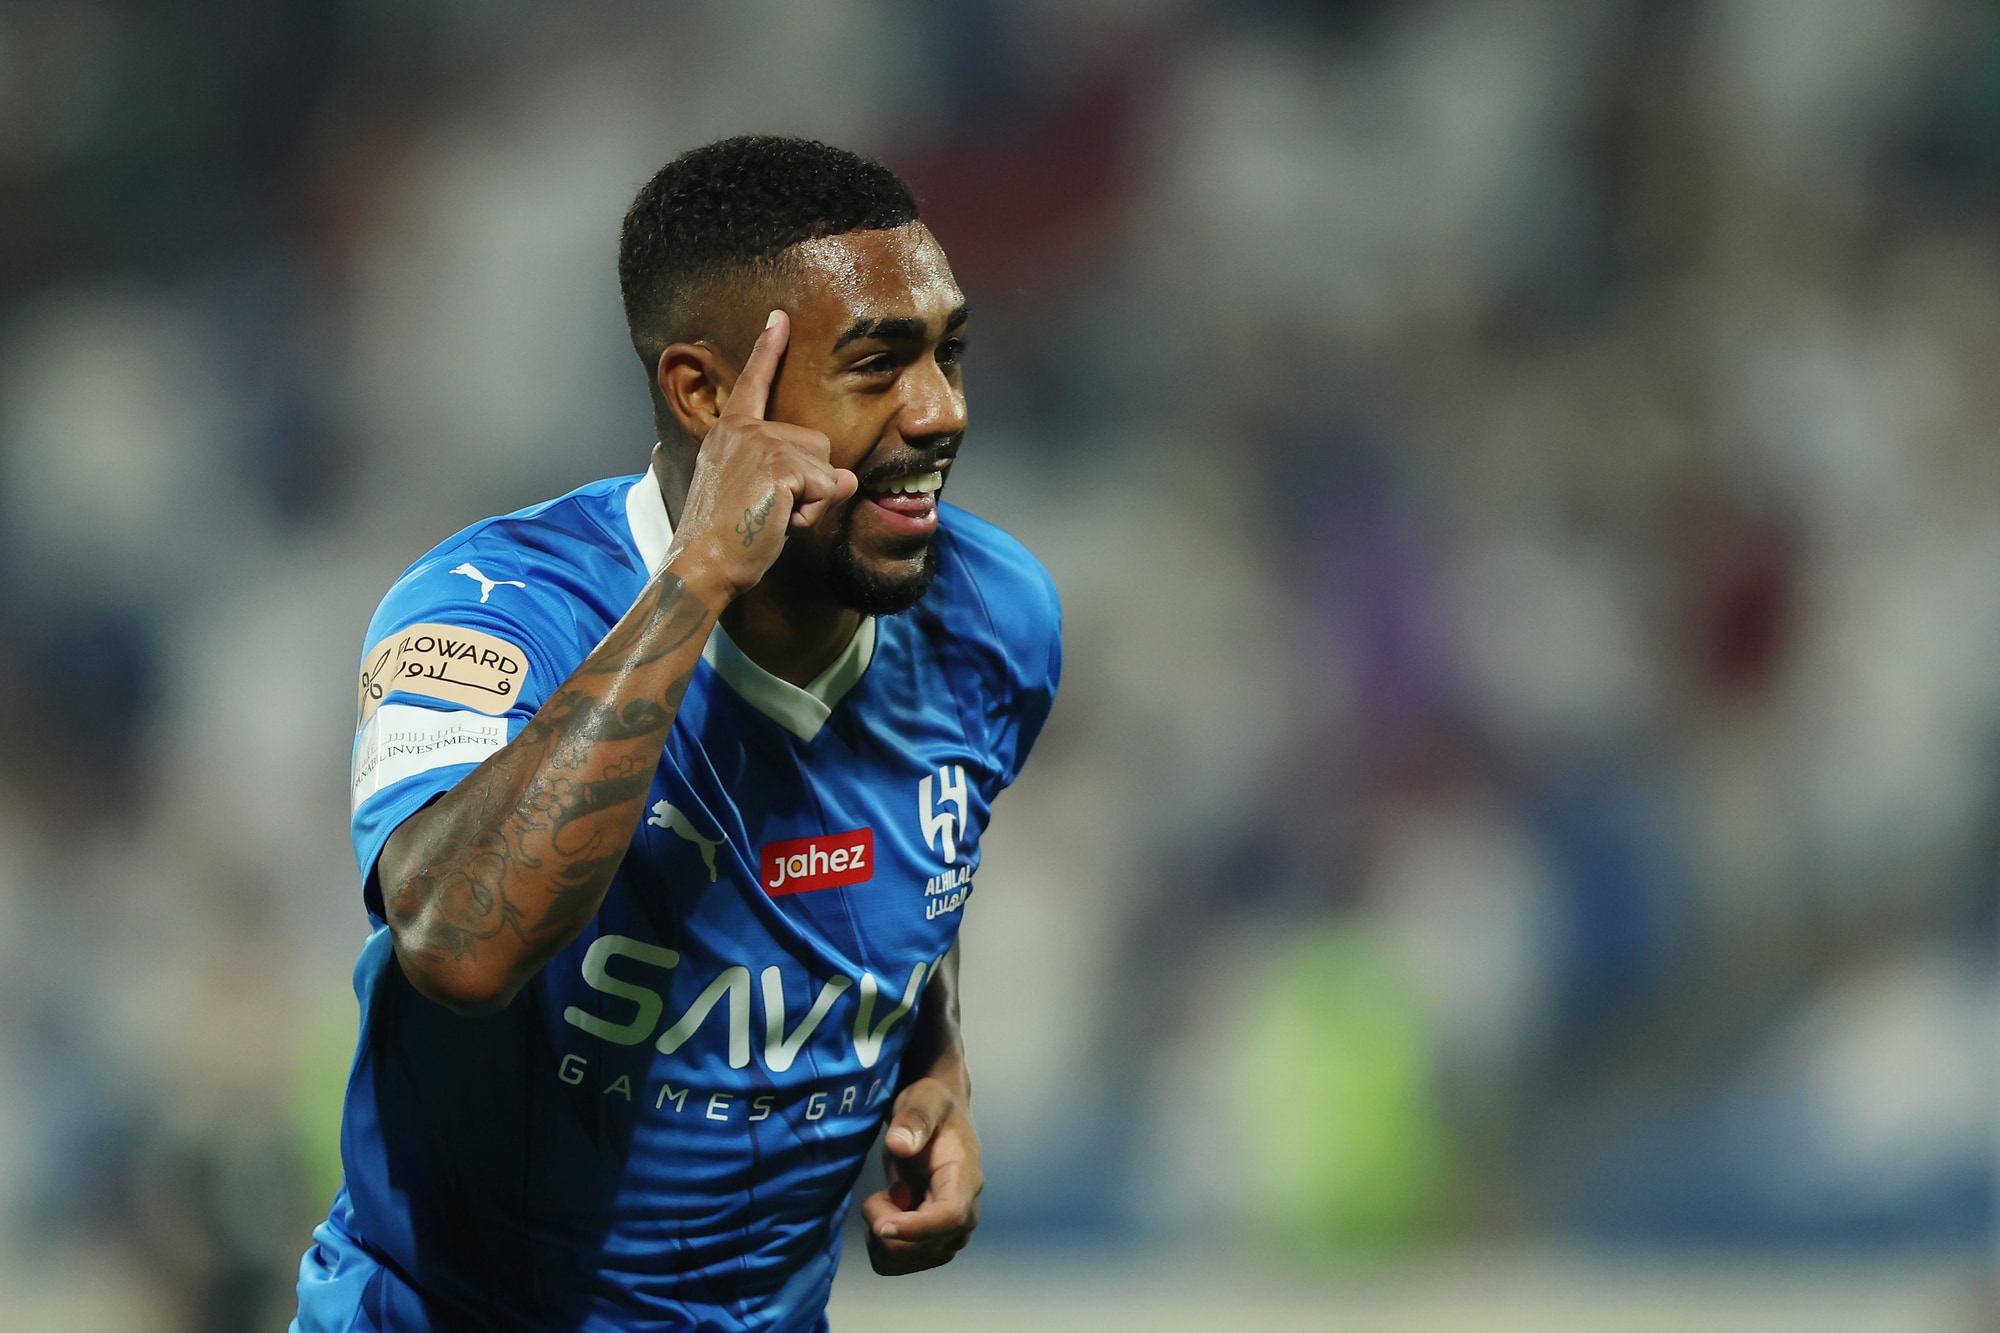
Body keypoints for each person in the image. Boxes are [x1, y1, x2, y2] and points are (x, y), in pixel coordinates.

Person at [292, 135, 1062, 1332]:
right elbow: (454, 942)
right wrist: (696, 581)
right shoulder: (496, 613)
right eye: (877, 365)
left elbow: (920, 859)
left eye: (947, 350)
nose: (941, 409)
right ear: (704, 395)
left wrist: (934, 1063)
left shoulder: (990, 616)